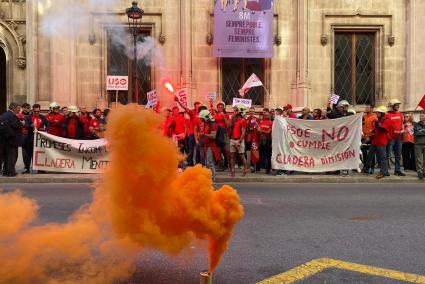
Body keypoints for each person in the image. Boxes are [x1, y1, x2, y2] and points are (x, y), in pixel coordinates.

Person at [366, 106, 391, 179]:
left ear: (382, 113)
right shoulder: (380, 119)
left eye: (378, 113)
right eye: (376, 113)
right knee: (370, 155)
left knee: (383, 157)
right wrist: (371, 133)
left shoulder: (386, 119)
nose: (376, 114)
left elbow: (382, 129)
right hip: (375, 140)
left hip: (382, 141)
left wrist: (376, 122)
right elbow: (376, 128)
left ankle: (383, 172)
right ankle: (366, 168)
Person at [23, 104, 48, 173]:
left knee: (39, 153)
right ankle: (27, 168)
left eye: (38, 111)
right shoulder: (28, 117)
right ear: (32, 110)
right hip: (30, 138)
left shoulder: (43, 117)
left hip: (40, 139)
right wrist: (30, 126)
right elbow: (25, 125)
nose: (36, 112)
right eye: (35, 111)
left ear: (39, 110)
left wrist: (44, 129)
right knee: (28, 154)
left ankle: (40, 169)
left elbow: (48, 126)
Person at [0, 102, 23, 176]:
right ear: (13, 107)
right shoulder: (12, 116)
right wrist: (21, 123)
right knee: (12, 157)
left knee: (6, 157)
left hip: (4, 140)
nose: (19, 110)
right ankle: (11, 172)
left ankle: (5, 172)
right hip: (12, 140)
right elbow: (15, 126)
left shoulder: (4, 115)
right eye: (18, 108)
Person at [198, 109, 219, 181]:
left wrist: (204, 134)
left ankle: (214, 177)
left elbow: (213, 136)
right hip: (207, 145)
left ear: (206, 117)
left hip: (211, 145)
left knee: (209, 162)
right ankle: (208, 177)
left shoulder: (213, 124)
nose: (202, 120)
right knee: (207, 162)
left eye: (203, 119)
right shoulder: (208, 123)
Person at [386, 99, 405, 176]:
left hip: (399, 138)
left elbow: (402, 124)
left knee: (398, 155)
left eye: (398, 105)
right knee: (387, 154)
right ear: (392, 106)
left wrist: (403, 129)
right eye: (396, 105)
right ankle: (385, 170)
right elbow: (387, 126)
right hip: (391, 138)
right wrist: (393, 131)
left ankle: (397, 170)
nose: (398, 106)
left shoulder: (400, 114)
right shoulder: (387, 115)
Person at [229, 105, 248, 177]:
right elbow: (229, 125)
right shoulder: (234, 120)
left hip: (239, 140)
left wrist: (239, 141)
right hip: (232, 139)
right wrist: (232, 118)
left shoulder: (243, 121)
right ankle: (233, 170)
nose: (234, 112)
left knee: (242, 155)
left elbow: (243, 132)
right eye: (234, 110)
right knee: (232, 156)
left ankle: (245, 169)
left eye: (236, 110)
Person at [361, 104, 377, 174]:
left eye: (368, 107)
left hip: (371, 138)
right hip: (364, 137)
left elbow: (375, 128)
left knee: (371, 153)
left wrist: (369, 136)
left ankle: (372, 168)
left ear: (372, 109)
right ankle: (365, 167)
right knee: (364, 153)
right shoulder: (364, 116)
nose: (366, 109)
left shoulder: (374, 117)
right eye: (366, 107)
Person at [17, 103, 31, 173]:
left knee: (31, 151)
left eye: (29, 108)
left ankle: (33, 166)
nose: (29, 109)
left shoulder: (31, 116)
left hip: (31, 135)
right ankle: (26, 167)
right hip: (23, 135)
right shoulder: (19, 116)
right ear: (23, 108)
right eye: (27, 108)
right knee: (25, 151)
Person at [245, 106, 260, 172]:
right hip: (248, 137)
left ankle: (255, 167)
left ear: (254, 112)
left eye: (253, 111)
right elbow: (245, 129)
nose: (251, 112)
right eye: (250, 111)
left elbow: (259, 128)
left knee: (255, 152)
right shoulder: (247, 119)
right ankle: (249, 165)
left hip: (255, 137)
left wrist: (256, 127)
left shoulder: (257, 120)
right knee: (249, 151)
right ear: (249, 112)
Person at [413, 111, 425, 180]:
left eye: (422, 116)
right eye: (420, 116)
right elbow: (416, 133)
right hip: (418, 144)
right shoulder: (416, 125)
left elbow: (419, 132)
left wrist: (421, 131)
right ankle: (420, 172)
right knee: (419, 159)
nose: (420, 117)